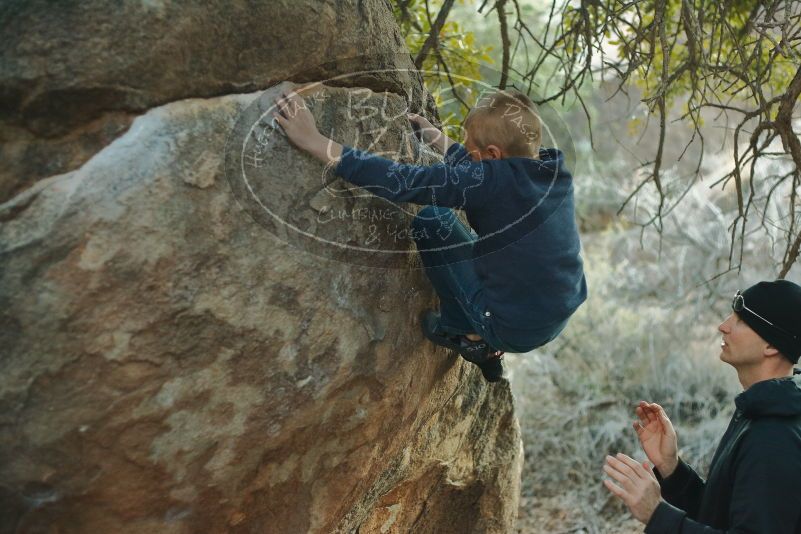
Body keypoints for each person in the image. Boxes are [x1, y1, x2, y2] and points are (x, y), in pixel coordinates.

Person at [273, 86, 586, 382]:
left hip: (513, 326)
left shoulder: (492, 181)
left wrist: (315, 141)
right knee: (491, 247)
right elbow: (489, 173)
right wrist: (437, 138)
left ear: (492, 155)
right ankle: (485, 340)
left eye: (468, 144)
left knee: (431, 222)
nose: (464, 148)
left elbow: (406, 182)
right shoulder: (552, 171)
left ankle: (467, 334)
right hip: (553, 312)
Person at [603, 279, 801, 533]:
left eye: (740, 320)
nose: (723, 326)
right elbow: (720, 517)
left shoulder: (774, 436)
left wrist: (657, 514)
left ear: (772, 345)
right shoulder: (759, 412)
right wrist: (672, 468)